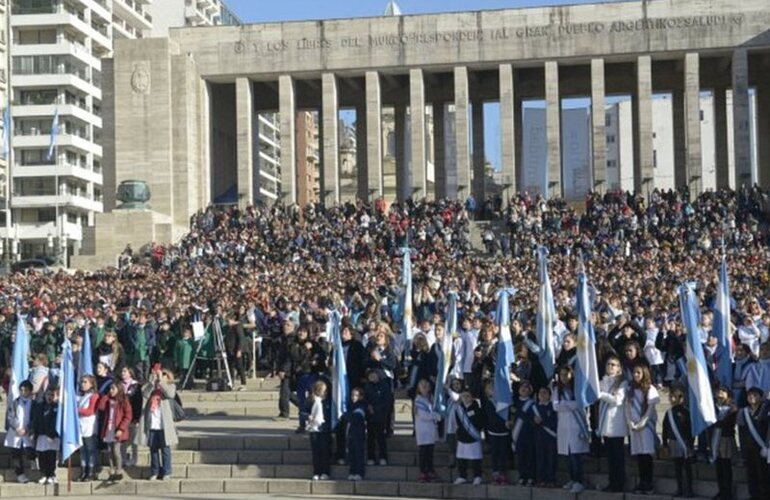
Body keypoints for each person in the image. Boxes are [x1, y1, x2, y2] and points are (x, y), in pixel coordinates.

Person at [138, 365, 179, 481]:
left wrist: (161, 381)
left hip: (164, 425)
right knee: (153, 450)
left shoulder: (170, 386)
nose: (160, 377)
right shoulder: (151, 388)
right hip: (152, 423)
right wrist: (152, 382)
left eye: (164, 375)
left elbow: (170, 394)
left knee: (165, 450)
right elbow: (144, 393)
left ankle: (166, 471)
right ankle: (154, 471)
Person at [553, 365, 589, 493]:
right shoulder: (557, 389)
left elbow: (579, 404)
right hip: (563, 426)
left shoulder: (577, 389)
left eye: (566, 374)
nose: (563, 377)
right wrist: (569, 405)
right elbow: (556, 406)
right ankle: (572, 479)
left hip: (576, 425)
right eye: (561, 374)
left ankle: (579, 480)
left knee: (576, 455)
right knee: (568, 455)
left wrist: (565, 404)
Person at [626, 363, 659, 494]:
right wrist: (630, 422)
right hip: (634, 426)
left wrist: (641, 424)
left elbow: (650, 411)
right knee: (639, 455)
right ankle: (642, 482)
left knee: (646, 455)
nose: (635, 375)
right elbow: (627, 408)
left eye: (638, 373)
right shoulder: (631, 389)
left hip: (646, 427)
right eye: (634, 372)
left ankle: (648, 483)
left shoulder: (650, 389)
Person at [597, 355, 628, 493]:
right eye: (609, 364)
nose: (610, 366)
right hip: (605, 424)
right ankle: (612, 482)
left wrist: (602, 394)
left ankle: (619, 483)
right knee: (610, 458)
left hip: (616, 424)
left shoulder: (622, 383)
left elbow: (617, 400)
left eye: (614, 365)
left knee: (618, 457)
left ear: (619, 368)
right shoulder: (603, 381)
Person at [737, 386, 770, 500]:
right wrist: (743, 450)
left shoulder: (765, 411)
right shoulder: (744, 412)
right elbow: (741, 432)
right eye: (750, 395)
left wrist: (767, 446)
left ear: (761, 397)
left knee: (764, 474)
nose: (752, 397)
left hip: (762, 449)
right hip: (749, 448)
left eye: (755, 395)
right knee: (751, 473)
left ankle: (764, 495)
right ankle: (754, 495)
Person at [662, 385, 694, 498]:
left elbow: (691, 429)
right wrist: (665, 444)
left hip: (684, 443)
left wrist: (690, 444)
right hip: (674, 442)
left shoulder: (686, 412)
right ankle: (680, 488)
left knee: (687, 467)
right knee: (677, 467)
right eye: (673, 396)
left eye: (679, 396)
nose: (675, 399)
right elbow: (664, 429)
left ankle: (689, 489)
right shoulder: (668, 413)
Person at [98, 382, 133, 481]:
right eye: (110, 389)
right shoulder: (108, 400)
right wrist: (106, 396)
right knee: (109, 451)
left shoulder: (124, 401)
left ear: (119, 389)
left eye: (113, 389)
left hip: (117, 429)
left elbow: (128, 416)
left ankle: (119, 470)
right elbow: (101, 407)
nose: (111, 391)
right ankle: (112, 470)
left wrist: (121, 429)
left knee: (116, 451)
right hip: (108, 429)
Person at [453, 386, 485, 486]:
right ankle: (462, 476)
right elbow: (458, 422)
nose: (466, 398)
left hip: (473, 436)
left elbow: (480, 422)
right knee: (461, 458)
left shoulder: (477, 409)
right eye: (463, 396)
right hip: (462, 437)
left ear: (472, 397)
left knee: (475, 458)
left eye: (468, 396)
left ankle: (477, 476)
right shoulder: (459, 409)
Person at [711, 385, 738, 500]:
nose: (720, 393)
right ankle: (721, 490)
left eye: (723, 391)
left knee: (726, 467)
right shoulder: (713, 406)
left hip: (726, 438)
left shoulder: (732, 407)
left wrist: (714, 421)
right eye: (718, 391)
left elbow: (727, 423)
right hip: (715, 439)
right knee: (719, 467)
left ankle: (728, 492)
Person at [5, 380, 34, 483]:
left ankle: (35, 465)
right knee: (16, 454)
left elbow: (34, 418)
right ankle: (19, 473)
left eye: (25, 390)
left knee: (30, 451)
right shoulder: (15, 402)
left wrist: (27, 428)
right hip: (16, 432)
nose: (22, 392)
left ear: (30, 391)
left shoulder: (34, 404)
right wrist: (17, 427)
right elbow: (10, 417)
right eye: (21, 390)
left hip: (27, 432)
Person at [31, 388, 59, 485]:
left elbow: (56, 422)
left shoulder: (57, 407)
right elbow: (36, 420)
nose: (49, 397)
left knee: (51, 456)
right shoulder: (39, 407)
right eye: (48, 395)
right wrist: (34, 432)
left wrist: (52, 434)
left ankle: (51, 474)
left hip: (52, 436)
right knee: (42, 456)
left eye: (52, 395)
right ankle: (43, 474)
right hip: (42, 435)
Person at [364, 369, 392, 465]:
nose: (372, 377)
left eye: (374, 375)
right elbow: (365, 399)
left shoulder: (384, 386)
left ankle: (383, 457)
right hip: (370, 416)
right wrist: (368, 407)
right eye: (370, 376)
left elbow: (387, 401)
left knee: (381, 438)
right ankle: (370, 457)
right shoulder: (367, 387)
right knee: (370, 438)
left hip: (381, 415)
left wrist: (378, 409)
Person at [511, 380, 536, 486]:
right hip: (518, 434)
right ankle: (522, 476)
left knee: (530, 456)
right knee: (520, 457)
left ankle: (530, 476)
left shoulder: (533, 403)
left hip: (529, 434)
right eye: (522, 387)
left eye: (527, 387)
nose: (524, 389)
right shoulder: (514, 402)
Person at [414, 379, 439, 483]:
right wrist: (435, 416)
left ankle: (430, 470)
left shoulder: (431, 398)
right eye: (422, 386)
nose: (424, 388)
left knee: (430, 451)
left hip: (431, 429)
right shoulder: (418, 400)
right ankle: (423, 471)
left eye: (426, 386)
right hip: (423, 429)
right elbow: (423, 415)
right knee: (423, 452)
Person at [532, 385, 558, 487]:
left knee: (551, 459)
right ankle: (541, 479)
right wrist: (534, 421)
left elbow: (554, 422)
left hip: (551, 437)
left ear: (549, 396)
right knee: (540, 458)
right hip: (539, 438)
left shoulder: (552, 407)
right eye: (540, 393)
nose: (542, 395)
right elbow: (530, 423)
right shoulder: (534, 407)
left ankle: (551, 479)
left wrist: (543, 421)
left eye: (545, 393)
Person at [77, 375, 100, 482]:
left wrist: (77, 410)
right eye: (82, 382)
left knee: (90, 450)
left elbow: (90, 411)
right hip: (81, 426)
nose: (83, 384)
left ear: (91, 384)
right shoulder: (80, 396)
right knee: (82, 450)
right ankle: (83, 471)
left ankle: (91, 472)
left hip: (89, 426)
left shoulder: (94, 396)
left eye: (85, 382)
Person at [307, 380, 331, 481]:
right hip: (314, 429)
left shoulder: (328, 402)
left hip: (324, 429)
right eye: (322, 391)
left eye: (325, 391)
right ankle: (317, 472)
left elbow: (330, 416)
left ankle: (325, 472)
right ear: (317, 391)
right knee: (316, 453)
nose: (324, 393)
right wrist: (308, 417)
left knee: (325, 452)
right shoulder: (311, 401)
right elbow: (303, 411)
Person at [120, 366, 143, 467]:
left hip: (132, 417)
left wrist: (136, 418)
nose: (122, 373)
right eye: (122, 371)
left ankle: (134, 458)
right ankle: (123, 458)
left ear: (130, 373)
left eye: (125, 371)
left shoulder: (136, 386)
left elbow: (138, 403)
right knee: (123, 440)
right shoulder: (119, 385)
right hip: (121, 417)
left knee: (133, 439)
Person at [345, 387, 366, 481]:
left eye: (356, 395)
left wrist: (346, 416)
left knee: (358, 453)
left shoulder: (361, 406)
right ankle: (352, 471)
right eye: (352, 395)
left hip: (359, 433)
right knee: (352, 453)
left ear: (360, 396)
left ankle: (359, 472)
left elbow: (356, 418)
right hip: (351, 433)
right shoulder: (350, 405)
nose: (354, 397)